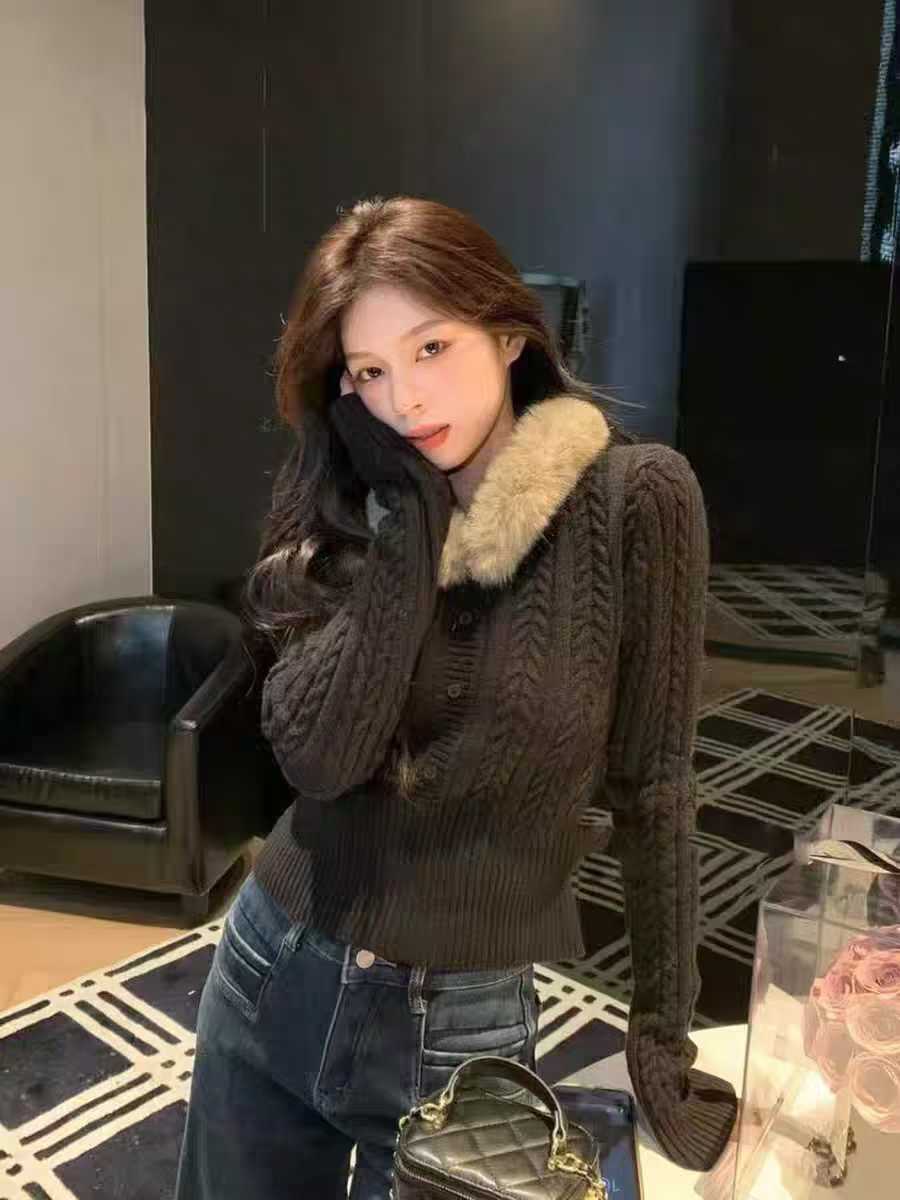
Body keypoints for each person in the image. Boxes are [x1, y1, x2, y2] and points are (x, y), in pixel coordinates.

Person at [174, 196, 737, 1199]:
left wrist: (660, 1035)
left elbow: (656, 786)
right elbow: (317, 759)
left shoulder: (636, 502)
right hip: (273, 967)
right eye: (368, 372)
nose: (405, 399)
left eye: (432, 347)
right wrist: (411, 527)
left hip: (463, 1025)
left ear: (510, 334)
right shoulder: (355, 495)